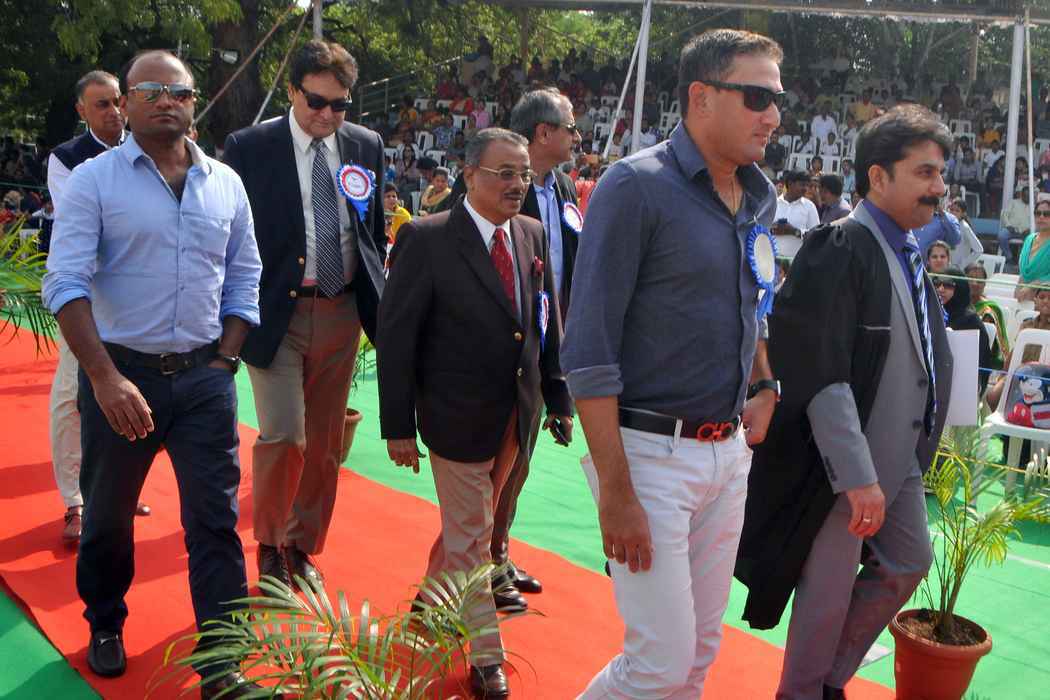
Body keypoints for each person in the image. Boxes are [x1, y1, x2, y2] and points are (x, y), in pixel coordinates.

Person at [562, 29, 782, 698]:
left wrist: (764, 380)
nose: (773, 116)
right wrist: (617, 490)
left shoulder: (758, 195)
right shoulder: (636, 187)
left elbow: (751, 299)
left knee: (696, 657)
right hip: (649, 457)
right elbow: (588, 349)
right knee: (659, 661)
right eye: (757, 97)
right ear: (701, 97)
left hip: (727, 457)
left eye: (777, 99)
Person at [41, 50, 265, 697]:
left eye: (180, 91)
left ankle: (221, 661)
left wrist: (226, 360)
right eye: (151, 90)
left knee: (215, 522)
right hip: (121, 376)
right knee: (109, 518)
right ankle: (105, 622)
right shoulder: (94, 182)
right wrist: (104, 378)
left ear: (195, 103)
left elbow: (245, 274)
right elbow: (65, 282)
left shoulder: (225, 184)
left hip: (204, 380)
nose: (167, 100)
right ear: (127, 103)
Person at [736, 105, 954, 700]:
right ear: (878, 177)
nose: (939, 187)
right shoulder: (839, 246)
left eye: (940, 174)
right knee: (826, 591)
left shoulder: (906, 249)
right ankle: (804, 691)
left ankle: (829, 678)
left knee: (907, 560)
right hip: (843, 466)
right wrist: (855, 475)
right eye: (925, 173)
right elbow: (821, 372)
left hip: (900, 459)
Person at [377, 128, 572, 700]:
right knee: (472, 540)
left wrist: (557, 396)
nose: (517, 185)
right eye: (503, 173)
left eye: (523, 174)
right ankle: (487, 659)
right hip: (453, 416)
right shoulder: (426, 238)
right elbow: (396, 338)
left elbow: (545, 323)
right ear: (469, 174)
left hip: (515, 413)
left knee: (472, 527)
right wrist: (397, 425)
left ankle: (429, 602)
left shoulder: (531, 234)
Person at [222, 39, 387, 590]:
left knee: (324, 444)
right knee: (285, 436)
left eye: (340, 104)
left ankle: (302, 546)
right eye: (316, 101)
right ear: (292, 91)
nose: (327, 115)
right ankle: (270, 545)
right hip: (276, 313)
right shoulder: (251, 147)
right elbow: (229, 234)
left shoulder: (365, 144)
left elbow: (372, 229)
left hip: (342, 312)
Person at [45, 70, 151, 545]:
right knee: (74, 392)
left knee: (137, 390)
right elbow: (92, 221)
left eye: (116, 102)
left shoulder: (150, 149)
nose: (113, 112)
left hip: (138, 297)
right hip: (82, 298)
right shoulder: (66, 159)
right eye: (101, 104)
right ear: (81, 110)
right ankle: (75, 500)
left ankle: (119, 492)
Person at [934, 268, 993, 393]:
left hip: (960, 385)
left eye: (948, 285)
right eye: (937, 284)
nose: (941, 289)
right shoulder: (931, 312)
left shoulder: (971, 321)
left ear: (960, 288)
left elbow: (979, 365)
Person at [774, 169, 820, 258]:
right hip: (771, 260)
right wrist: (773, 229)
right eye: (802, 185)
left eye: (807, 185)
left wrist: (794, 231)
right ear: (790, 184)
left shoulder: (809, 207)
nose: (805, 189)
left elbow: (816, 236)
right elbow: (762, 230)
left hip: (797, 261)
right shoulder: (774, 204)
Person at [1015, 194, 1050, 301]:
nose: (1041, 217)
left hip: (1044, 302)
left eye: (1047, 214)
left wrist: (1032, 285)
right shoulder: (1029, 239)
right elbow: (1023, 273)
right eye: (1038, 213)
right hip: (1021, 298)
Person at [947, 197, 984, 270]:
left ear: (963, 214)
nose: (953, 213)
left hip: (959, 270)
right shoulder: (946, 225)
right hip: (947, 268)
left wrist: (962, 265)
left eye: (957, 211)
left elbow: (979, 250)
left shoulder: (964, 227)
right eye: (951, 210)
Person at [1000, 186, 1032, 265]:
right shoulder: (1013, 202)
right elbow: (1004, 214)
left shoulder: (1033, 206)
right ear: (1022, 195)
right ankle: (1009, 257)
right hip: (1012, 229)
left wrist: (1030, 229)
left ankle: (1023, 260)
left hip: (1026, 232)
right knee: (1002, 236)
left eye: (1028, 196)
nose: (1027, 198)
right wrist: (1008, 225)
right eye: (1025, 195)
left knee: (1031, 240)